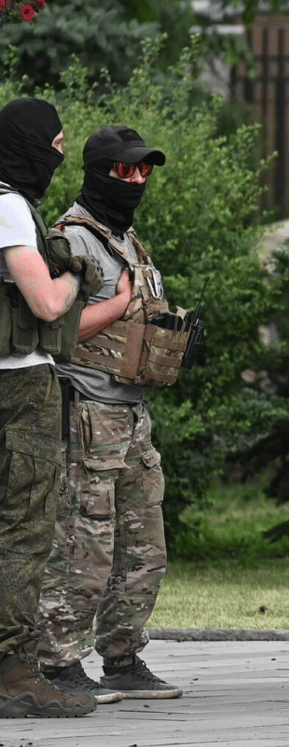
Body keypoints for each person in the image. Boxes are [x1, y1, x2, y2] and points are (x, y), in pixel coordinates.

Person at [33, 125, 183, 704]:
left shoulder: (127, 240)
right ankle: (57, 660)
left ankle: (122, 657)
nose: (137, 179)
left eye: (144, 170)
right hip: (88, 413)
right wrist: (121, 305)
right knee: (82, 546)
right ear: (98, 171)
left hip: (133, 413)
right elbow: (53, 331)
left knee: (145, 547)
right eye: (125, 170)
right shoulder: (69, 240)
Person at [0, 97, 98, 718]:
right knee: (23, 529)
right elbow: (44, 303)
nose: (60, 154)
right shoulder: (9, 205)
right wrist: (74, 273)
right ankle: (13, 673)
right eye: (55, 142)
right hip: (18, 386)